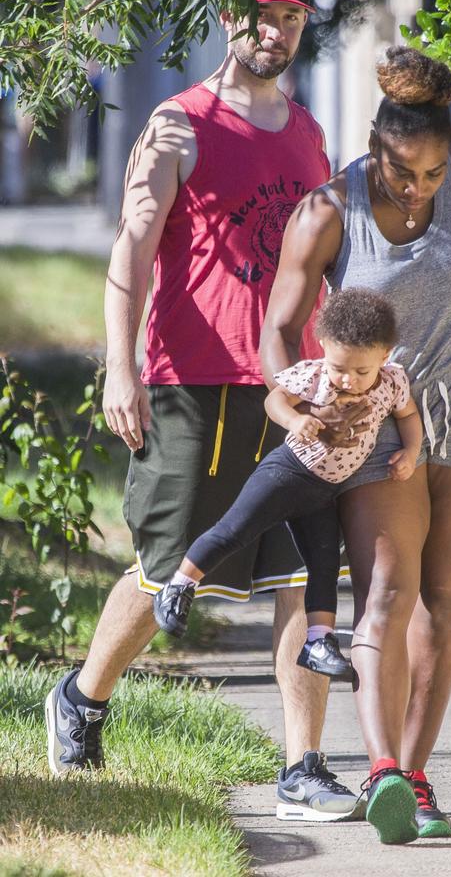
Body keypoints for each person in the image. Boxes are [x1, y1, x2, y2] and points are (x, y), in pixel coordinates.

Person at [45, 0, 366, 821]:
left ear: (303, 26)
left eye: (291, 17)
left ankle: (303, 767)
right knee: (165, 567)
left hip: (293, 383)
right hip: (196, 379)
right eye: (262, 14)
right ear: (230, 17)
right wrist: (122, 366)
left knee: (305, 571)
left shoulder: (309, 134)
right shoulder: (176, 125)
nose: (275, 29)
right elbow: (132, 250)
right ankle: (82, 697)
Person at [260, 44, 451, 844]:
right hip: (375, 424)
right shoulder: (330, 208)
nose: (417, 188)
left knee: (444, 600)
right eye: (402, 174)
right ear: (376, 148)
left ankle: (417, 780)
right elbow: (278, 330)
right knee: (386, 592)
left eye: (430, 175)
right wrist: (305, 409)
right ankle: (382, 768)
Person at [152, 288, 422, 695]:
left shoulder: (393, 381)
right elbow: (275, 400)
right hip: (289, 473)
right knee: (235, 529)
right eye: (339, 366)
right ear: (325, 349)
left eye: (361, 371)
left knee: (325, 562)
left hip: (326, 491)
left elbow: (409, 415)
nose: (348, 378)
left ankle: (318, 640)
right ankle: (179, 587)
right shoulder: (313, 375)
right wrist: (296, 421)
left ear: (385, 357)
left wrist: (411, 449)